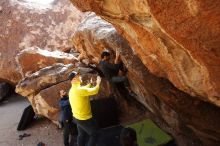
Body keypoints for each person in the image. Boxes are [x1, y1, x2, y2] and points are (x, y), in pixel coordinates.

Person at [68, 71, 101, 146]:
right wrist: (98, 83)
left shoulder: (73, 89)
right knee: (94, 134)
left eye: (79, 75)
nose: (80, 76)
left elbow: (83, 89)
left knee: (81, 135)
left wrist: (90, 84)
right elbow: (95, 91)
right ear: (73, 80)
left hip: (77, 118)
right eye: (77, 76)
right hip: (84, 119)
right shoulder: (78, 90)